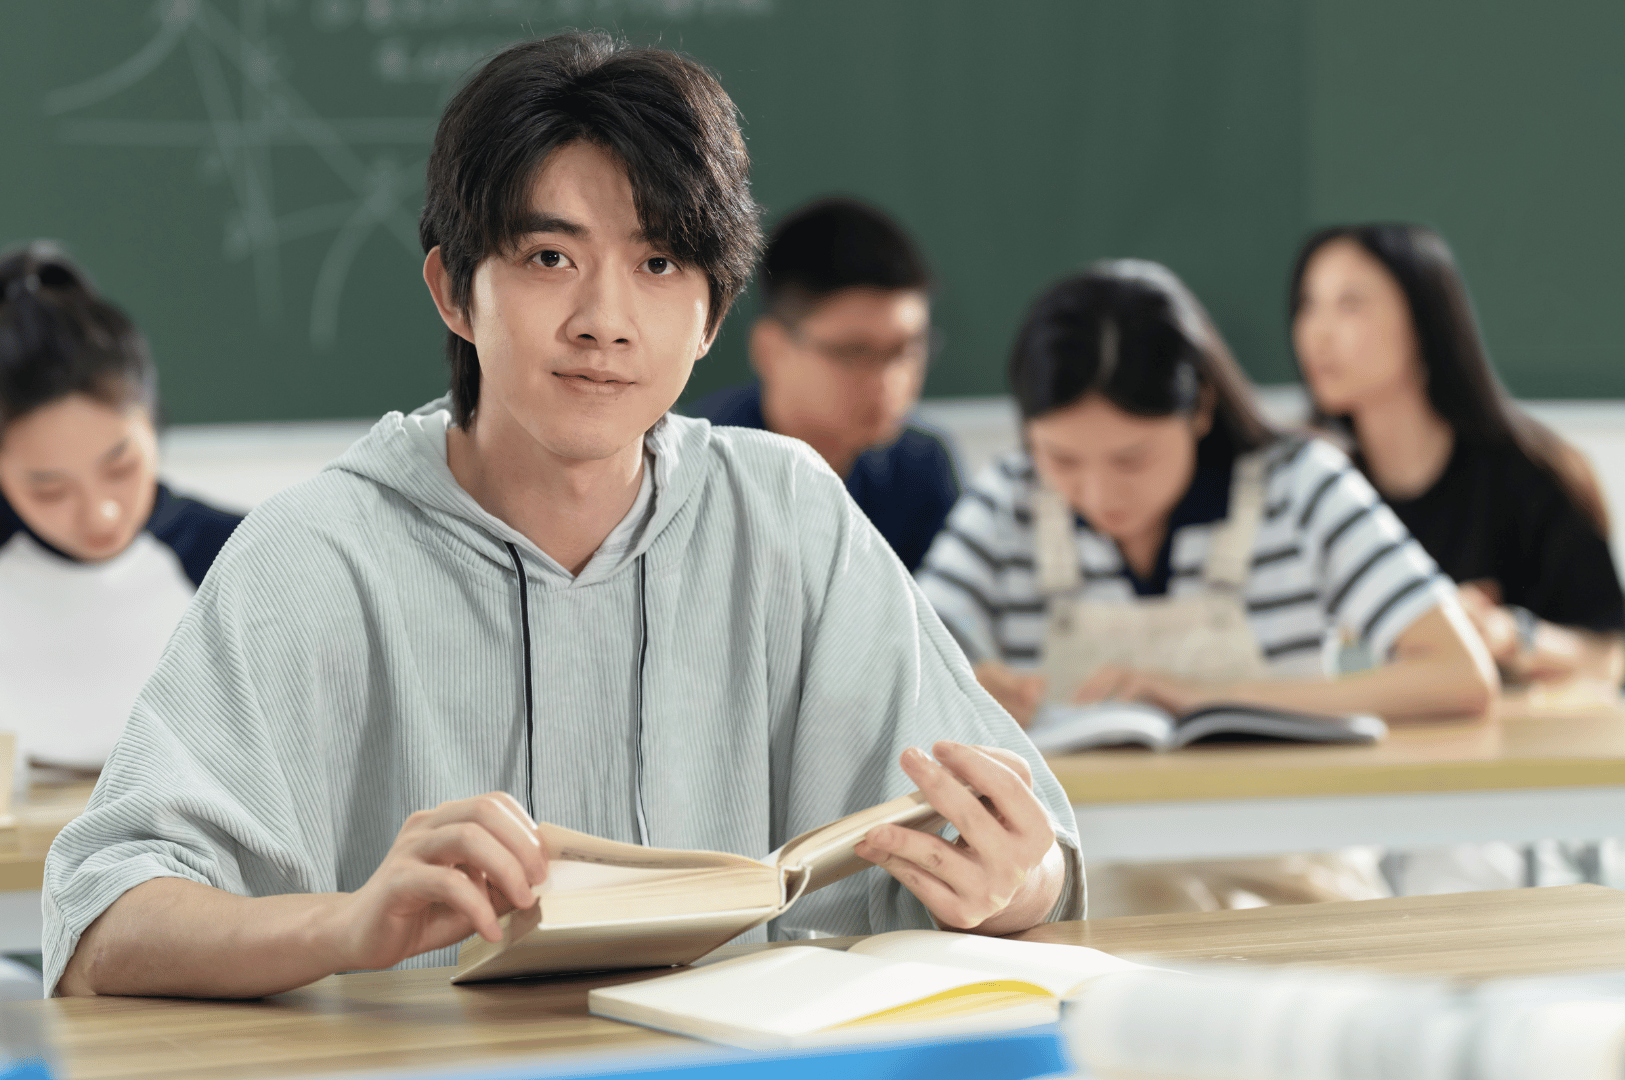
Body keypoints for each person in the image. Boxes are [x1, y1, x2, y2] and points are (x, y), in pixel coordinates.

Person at [44, 34, 1081, 1000]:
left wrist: (1012, 879)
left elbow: (1035, 855)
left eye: (658, 265)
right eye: (549, 258)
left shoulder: (790, 517)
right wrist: (346, 925)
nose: (603, 322)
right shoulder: (313, 553)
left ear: (713, 314)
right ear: (453, 290)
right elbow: (100, 925)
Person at [916, 259, 1496, 915]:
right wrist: (968, 691)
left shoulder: (1300, 485)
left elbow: (1459, 675)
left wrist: (1207, 700)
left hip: (1293, 876)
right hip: (1079, 882)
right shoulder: (1007, 500)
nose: (1099, 494)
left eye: (1132, 458)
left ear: (1200, 408)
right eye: (1061, 459)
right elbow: (903, 664)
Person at [1290, 223, 1625, 687]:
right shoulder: (1304, 484)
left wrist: (1507, 635)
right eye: (1307, 305)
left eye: (1350, 304)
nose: (1318, 334)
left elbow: (1610, 653)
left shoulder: (1531, 473)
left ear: (1424, 319)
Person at [0, 244, 240, 787]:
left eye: (120, 466)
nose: (100, 513)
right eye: (48, 488)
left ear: (152, 424)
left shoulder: (240, 553)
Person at [686, 198, 957, 572]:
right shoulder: (697, 466)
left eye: (905, 350)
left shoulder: (921, 470)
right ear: (771, 351)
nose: (888, 381)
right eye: (855, 352)